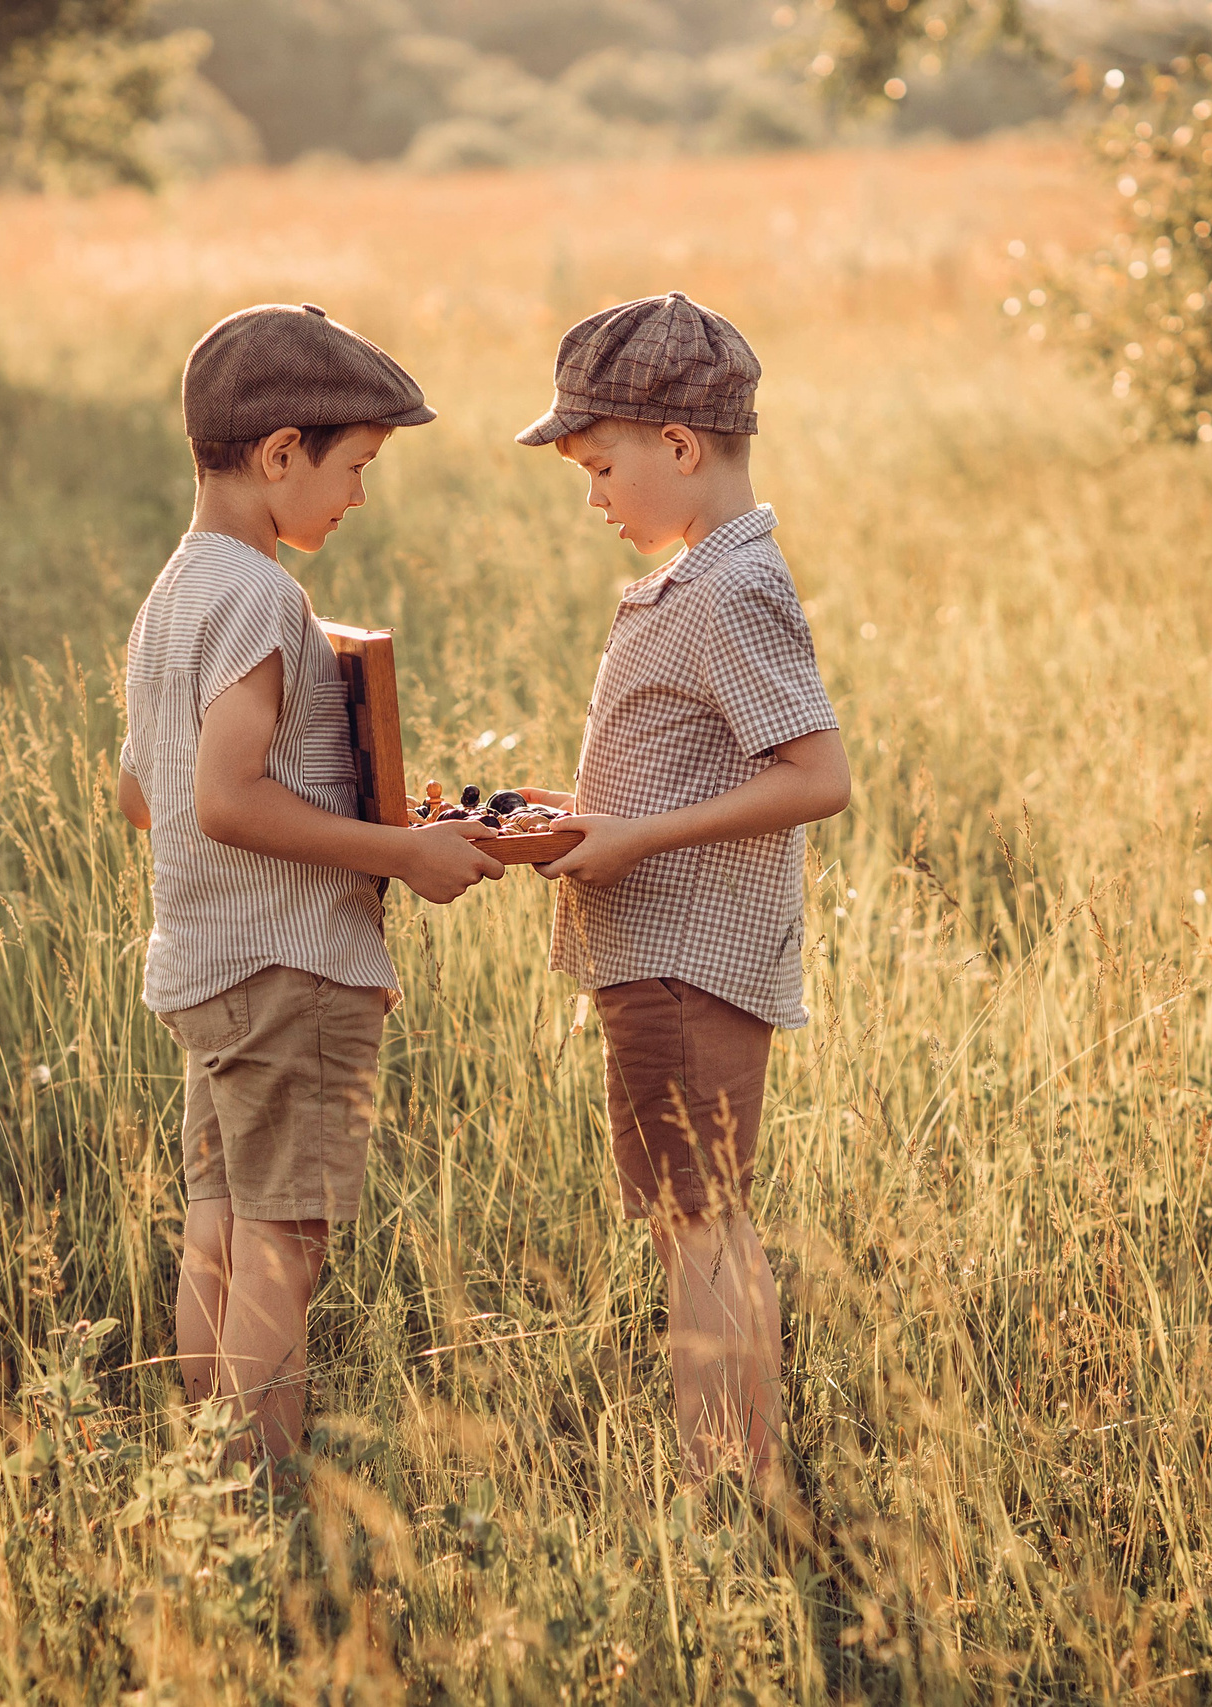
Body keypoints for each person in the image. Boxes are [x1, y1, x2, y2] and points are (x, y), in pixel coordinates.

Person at [117, 303, 504, 1462]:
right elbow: (225, 800)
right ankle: (261, 1493)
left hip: (204, 965)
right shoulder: (261, 596)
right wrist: (405, 854)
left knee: (222, 1231)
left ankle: (202, 1479)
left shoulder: (174, 592)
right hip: (292, 973)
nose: (359, 497)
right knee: (285, 1248)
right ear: (280, 451)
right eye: (355, 466)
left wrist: (346, 795)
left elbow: (143, 792)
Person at [511, 292, 849, 1511]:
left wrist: (637, 836)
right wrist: (588, 814)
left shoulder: (728, 589)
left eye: (600, 466)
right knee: (695, 1222)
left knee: (700, 1227)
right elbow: (698, 757)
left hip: (685, 958)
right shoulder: (699, 579)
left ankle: (725, 1487)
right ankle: (735, 1474)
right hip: (659, 951)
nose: (593, 495)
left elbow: (817, 777)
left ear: (680, 446)